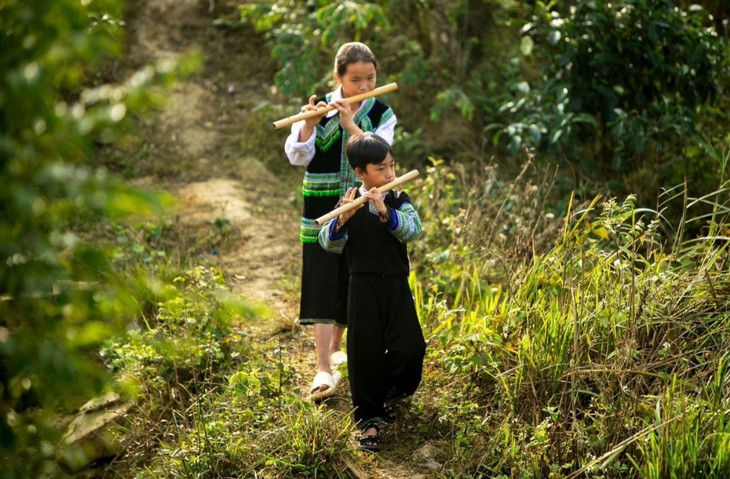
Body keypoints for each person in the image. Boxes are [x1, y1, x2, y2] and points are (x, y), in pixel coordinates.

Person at [285, 42, 397, 400]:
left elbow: (380, 159)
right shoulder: (320, 105)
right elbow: (296, 156)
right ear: (339, 78)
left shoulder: (382, 113)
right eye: (355, 80)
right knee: (321, 277)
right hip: (320, 205)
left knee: (352, 277)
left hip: (360, 207)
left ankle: (337, 345)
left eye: (370, 79)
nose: (364, 87)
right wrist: (309, 125)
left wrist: (351, 124)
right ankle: (322, 368)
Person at [318, 132, 426, 452]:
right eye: (381, 169)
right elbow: (328, 243)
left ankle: (389, 391)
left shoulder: (398, 198)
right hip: (361, 286)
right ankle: (368, 420)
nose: (390, 174)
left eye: (392, 166)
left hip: (395, 283)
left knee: (410, 347)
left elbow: (413, 229)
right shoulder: (350, 199)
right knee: (365, 353)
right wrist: (343, 219)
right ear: (360, 173)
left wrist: (385, 212)